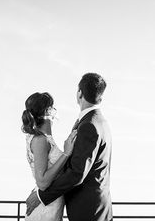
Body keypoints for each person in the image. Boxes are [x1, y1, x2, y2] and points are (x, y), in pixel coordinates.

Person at [26, 73, 113, 221]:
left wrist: (41, 196)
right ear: (101, 97)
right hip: (95, 207)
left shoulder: (89, 125)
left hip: (88, 210)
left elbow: (77, 173)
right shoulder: (100, 122)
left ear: (79, 93)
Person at [22, 92, 77, 221]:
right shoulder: (40, 139)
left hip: (52, 205)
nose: (55, 111)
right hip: (44, 210)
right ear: (47, 111)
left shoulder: (45, 138)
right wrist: (66, 154)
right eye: (53, 107)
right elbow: (42, 182)